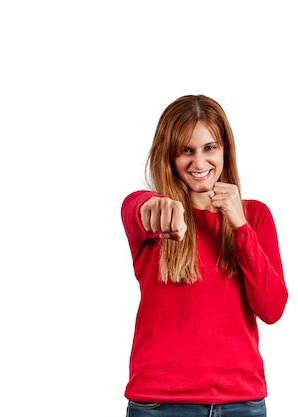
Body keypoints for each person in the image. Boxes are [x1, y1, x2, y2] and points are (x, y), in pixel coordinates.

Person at [120, 94, 288, 417]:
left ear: (225, 149)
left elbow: (272, 307)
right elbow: (136, 210)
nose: (199, 163)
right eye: (186, 150)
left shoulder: (256, 217)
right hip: (160, 405)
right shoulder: (155, 215)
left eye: (209, 148)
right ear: (169, 156)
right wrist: (156, 208)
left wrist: (239, 225)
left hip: (241, 404)